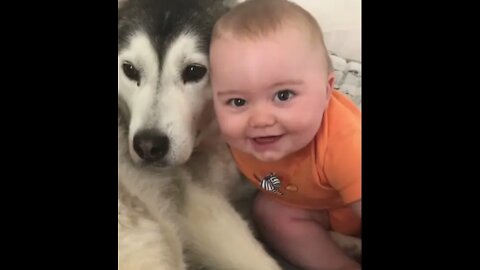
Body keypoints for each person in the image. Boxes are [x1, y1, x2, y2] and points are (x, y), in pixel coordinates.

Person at [209, 0, 361, 269]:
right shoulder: (229, 139)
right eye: (238, 102)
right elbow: (266, 181)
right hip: (316, 204)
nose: (260, 120)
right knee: (269, 212)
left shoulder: (346, 143)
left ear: (327, 91)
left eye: (283, 95)